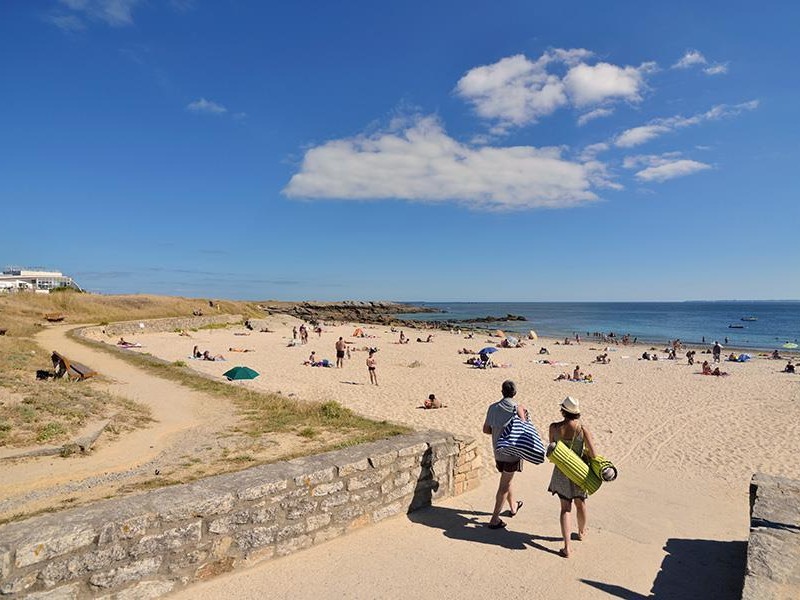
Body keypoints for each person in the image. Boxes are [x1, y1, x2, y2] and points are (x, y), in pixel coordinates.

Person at [548, 396, 597, 558]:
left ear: (563, 411)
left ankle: (567, 547)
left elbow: (551, 449)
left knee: (565, 508)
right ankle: (582, 532)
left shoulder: (554, 428)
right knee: (580, 503)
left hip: (561, 471)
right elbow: (594, 454)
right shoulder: (582, 430)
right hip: (579, 471)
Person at [482, 380, 526, 530]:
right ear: (514, 393)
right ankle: (494, 519)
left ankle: (513, 507)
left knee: (507, 479)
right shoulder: (518, 408)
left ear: (502, 391)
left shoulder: (492, 408)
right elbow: (524, 429)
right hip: (512, 453)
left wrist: (498, 431)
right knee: (504, 485)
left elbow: (486, 430)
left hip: (497, 452)